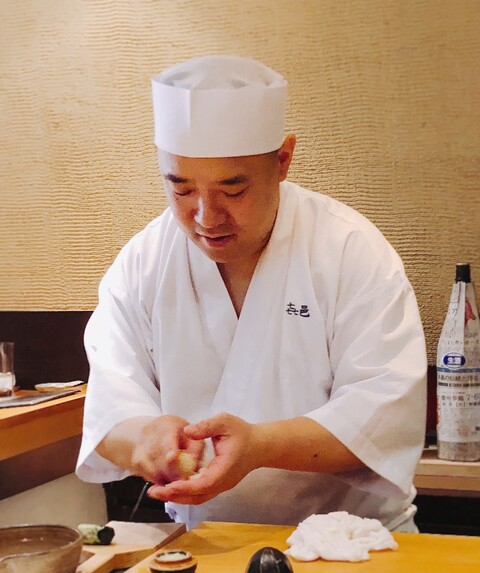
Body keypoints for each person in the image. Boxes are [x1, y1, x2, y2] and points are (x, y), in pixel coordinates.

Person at [76, 55, 427, 532]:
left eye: (233, 190)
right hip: (202, 544)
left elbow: (382, 413)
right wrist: (146, 439)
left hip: (352, 541)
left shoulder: (348, 248)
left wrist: (259, 447)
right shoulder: (144, 262)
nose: (206, 217)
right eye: (181, 190)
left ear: (282, 160)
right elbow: (111, 407)